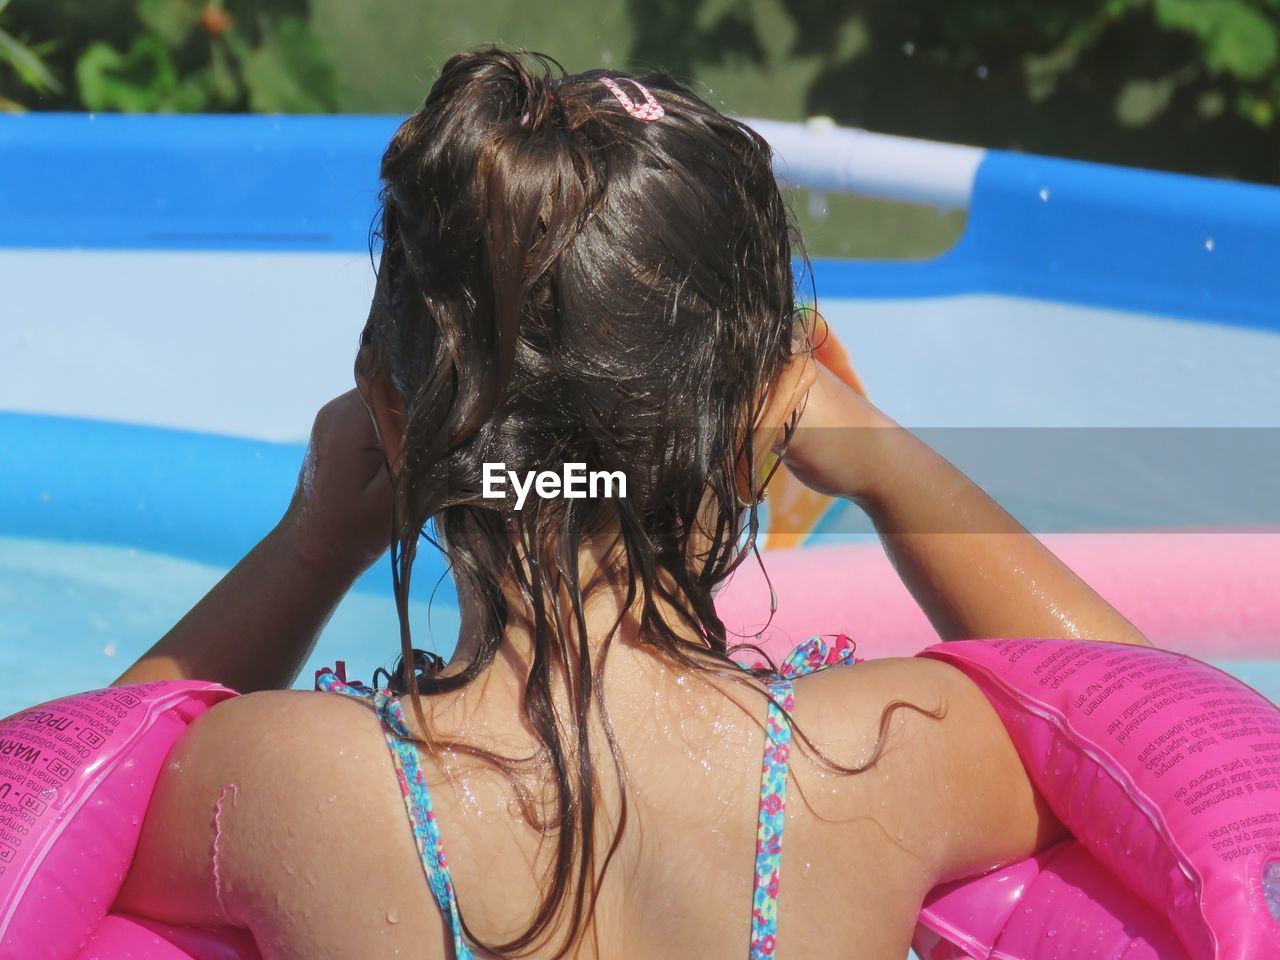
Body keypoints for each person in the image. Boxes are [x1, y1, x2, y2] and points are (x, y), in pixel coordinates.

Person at [111, 48, 1149, 960]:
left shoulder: (282, 788)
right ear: (758, 431)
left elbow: (58, 811)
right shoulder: (888, 753)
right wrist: (882, 464)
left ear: (387, 413)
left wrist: (309, 547)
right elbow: (1168, 758)